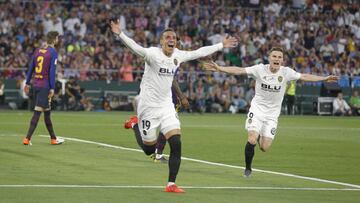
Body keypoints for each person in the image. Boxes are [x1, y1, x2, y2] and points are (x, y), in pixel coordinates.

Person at [110, 19, 237, 193]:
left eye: (174, 38)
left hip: (166, 106)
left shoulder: (178, 55)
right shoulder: (152, 54)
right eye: (167, 37)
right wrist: (120, 33)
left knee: (176, 143)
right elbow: (135, 47)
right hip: (148, 107)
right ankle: (134, 124)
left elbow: (199, 52)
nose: (171, 39)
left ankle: (171, 184)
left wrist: (221, 45)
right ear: (161, 41)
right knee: (149, 150)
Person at [203, 46, 338, 177]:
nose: (277, 59)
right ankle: (248, 168)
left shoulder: (286, 72)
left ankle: (260, 135)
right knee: (251, 139)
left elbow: (305, 76)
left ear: (282, 60)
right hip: (257, 110)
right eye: (274, 56)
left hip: (272, 115)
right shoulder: (259, 69)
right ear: (269, 58)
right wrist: (220, 68)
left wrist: (324, 78)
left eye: (280, 57)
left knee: (264, 147)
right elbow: (239, 70)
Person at [124, 79, 190, 163]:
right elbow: (171, 78)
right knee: (148, 148)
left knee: (167, 124)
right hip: (159, 98)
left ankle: (158, 153)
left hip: (164, 97)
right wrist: (181, 96)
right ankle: (134, 124)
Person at [23, 31, 64, 146]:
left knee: (47, 112)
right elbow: (52, 71)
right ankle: (27, 138)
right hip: (44, 87)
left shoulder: (38, 51)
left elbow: (31, 67)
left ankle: (53, 138)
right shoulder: (53, 52)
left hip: (36, 84)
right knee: (37, 112)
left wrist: (27, 83)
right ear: (55, 39)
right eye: (57, 38)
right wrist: (52, 87)